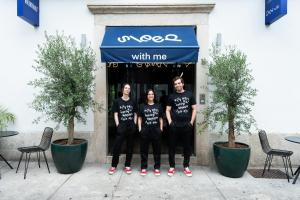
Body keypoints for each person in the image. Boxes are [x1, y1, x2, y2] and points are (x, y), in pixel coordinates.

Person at [166, 76, 196, 177]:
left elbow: (194, 109)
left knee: (187, 147)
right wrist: (170, 122)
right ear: (174, 86)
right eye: (175, 84)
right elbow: (167, 110)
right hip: (174, 126)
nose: (177, 85)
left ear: (182, 84)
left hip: (186, 125)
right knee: (172, 147)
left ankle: (186, 166)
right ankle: (172, 167)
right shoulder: (171, 96)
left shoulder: (189, 95)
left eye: (179, 83)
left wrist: (191, 122)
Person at [108, 83, 137, 175]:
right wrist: (118, 125)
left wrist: (134, 124)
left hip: (130, 127)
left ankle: (127, 165)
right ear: (122, 90)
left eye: (129, 88)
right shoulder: (117, 101)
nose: (127, 90)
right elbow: (115, 114)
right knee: (117, 147)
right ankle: (113, 166)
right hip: (121, 127)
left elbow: (136, 113)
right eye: (126, 88)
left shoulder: (133, 101)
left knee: (130, 147)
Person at [138, 89, 163, 176]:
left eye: (152, 94)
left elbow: (160, 118)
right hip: (145, 131)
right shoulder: (142, 106)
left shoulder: (158, 106)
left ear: (154, 96)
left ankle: (157, 167)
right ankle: (144, 167)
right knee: (144, 150)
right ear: (147, 96)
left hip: (156, 131)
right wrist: (140, 129)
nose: (151, 95)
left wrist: (161, 129)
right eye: (149, 94)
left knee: (157, 150)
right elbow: (140, 118)